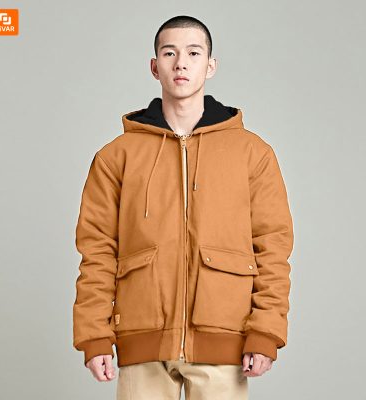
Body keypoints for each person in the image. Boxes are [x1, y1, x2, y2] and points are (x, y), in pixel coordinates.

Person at [73, 15, 294, 399]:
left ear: (210, 65)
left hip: (225, 337)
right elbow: (97, 250)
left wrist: (265, 331)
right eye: (169, 53)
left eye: (193, 53)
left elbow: (273, 247)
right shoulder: (116, 156)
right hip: (141, 337)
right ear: (154, 66)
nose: (181, 63)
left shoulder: (252, 153)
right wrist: (94, 334)